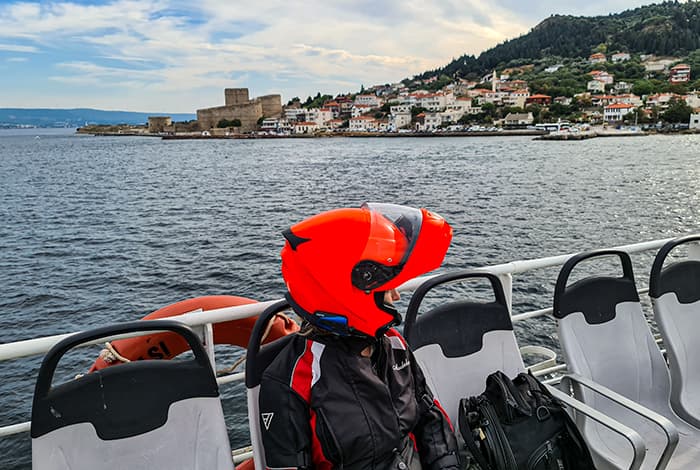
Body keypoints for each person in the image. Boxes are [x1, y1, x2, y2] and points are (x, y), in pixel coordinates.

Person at [258, 203, 461, 469]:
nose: (397, 297)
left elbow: (429, 418)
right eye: (388, 288)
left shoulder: (393, 344)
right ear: (346, 294)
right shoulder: (293, 379)